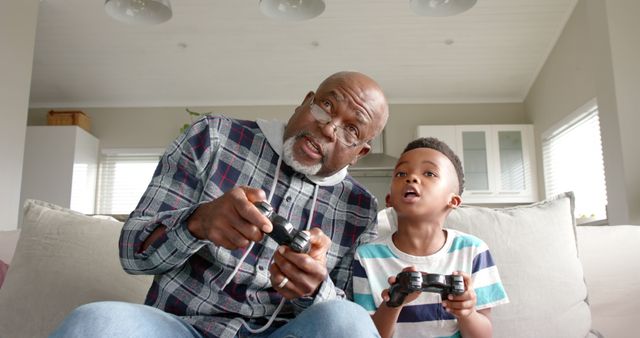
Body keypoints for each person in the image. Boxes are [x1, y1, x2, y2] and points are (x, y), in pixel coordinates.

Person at [50, 71, 389, 338]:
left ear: (359, 153)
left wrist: (314, 290)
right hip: (178, 327)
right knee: (93, 322)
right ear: (305, 102)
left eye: (351, 130)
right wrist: (197, 223)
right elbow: (132, 253)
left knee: (348, 320)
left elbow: (351, 317)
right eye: (326, 107)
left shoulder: (359, 207)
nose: (328, 128)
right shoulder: (214, 137)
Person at [352, 137, 509, 338]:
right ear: (389, 199)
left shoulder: (473, 251)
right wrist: (394, 302)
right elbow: (370, 334)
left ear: (453, 200)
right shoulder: (367, 257)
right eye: (401, 173)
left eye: (429, 173)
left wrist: (467, 312)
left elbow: (483, 335)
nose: (411, 178)